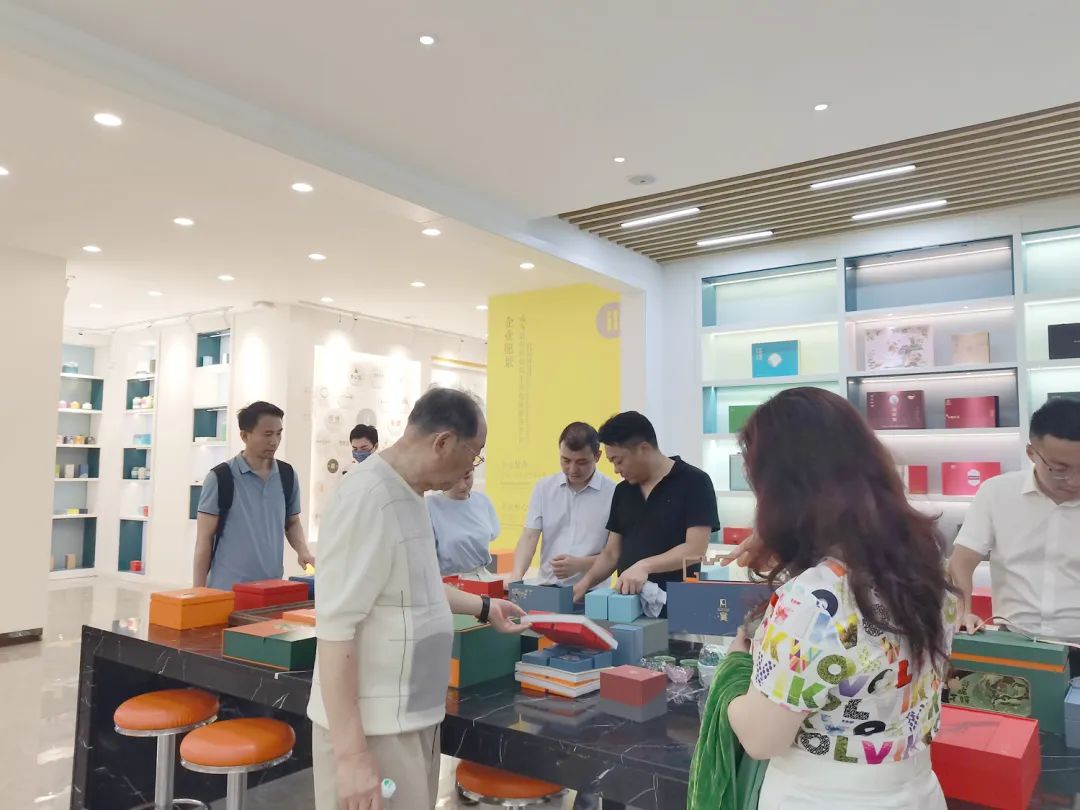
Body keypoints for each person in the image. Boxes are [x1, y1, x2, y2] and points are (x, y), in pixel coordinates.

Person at [724, 388, 958, 809]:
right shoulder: (927, 571)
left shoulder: (811, 601)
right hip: (918, 790)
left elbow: (761, 739)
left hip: (820, 796)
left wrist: (734, 672)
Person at [308, 388, 526, 810]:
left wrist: (485, 607)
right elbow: (335, 631)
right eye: (474, 454)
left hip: (411, 719)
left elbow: (415, 583)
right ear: (443, 442)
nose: (473, 467)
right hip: (374, 732)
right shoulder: (367, 497)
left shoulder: (409, 494)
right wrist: (351, 757)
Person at [949, 397, 1080, 653]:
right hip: (1015, 643)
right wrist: (963, 610)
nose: (1074, 481)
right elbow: (962, 560)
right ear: (1032, 453)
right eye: (1059, 469)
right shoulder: (997, 492)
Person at [572, 411, 718, 602]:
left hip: (679, 605)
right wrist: (584, 584)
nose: (616, 469)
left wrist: (644, 566)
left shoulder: (695, 482)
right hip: (627, 605)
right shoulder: (623, 491)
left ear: (644, 449)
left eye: (619, 461)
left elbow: (695, 550)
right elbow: (612, 553)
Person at [193, 401, 313, 590]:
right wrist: (198, 592)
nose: (274, 441)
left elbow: (292, 522)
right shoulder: (220, 478)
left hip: (271, 588)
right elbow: (204, 541)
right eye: (267, 434)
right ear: (244, 435)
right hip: (227, 590)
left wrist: (303, 551)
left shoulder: (287, 475)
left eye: (278, 433)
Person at [510, 422, 616, 586]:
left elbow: (615, 554)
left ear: (597, 456)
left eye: (581, 462)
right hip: (547, 587)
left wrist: (580, 565)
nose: (572, 469)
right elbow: (529, 536)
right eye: (566, 460)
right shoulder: (544, 488)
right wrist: (516, 576)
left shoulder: (613, 493)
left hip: (592, 591)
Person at [429, 467, 501, 578]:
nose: (462, 486)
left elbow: (492, 534)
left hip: (484, 578)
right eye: (455, 479)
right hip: (449, 582)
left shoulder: (483, 501)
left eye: (467, 477)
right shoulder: (430, 506)